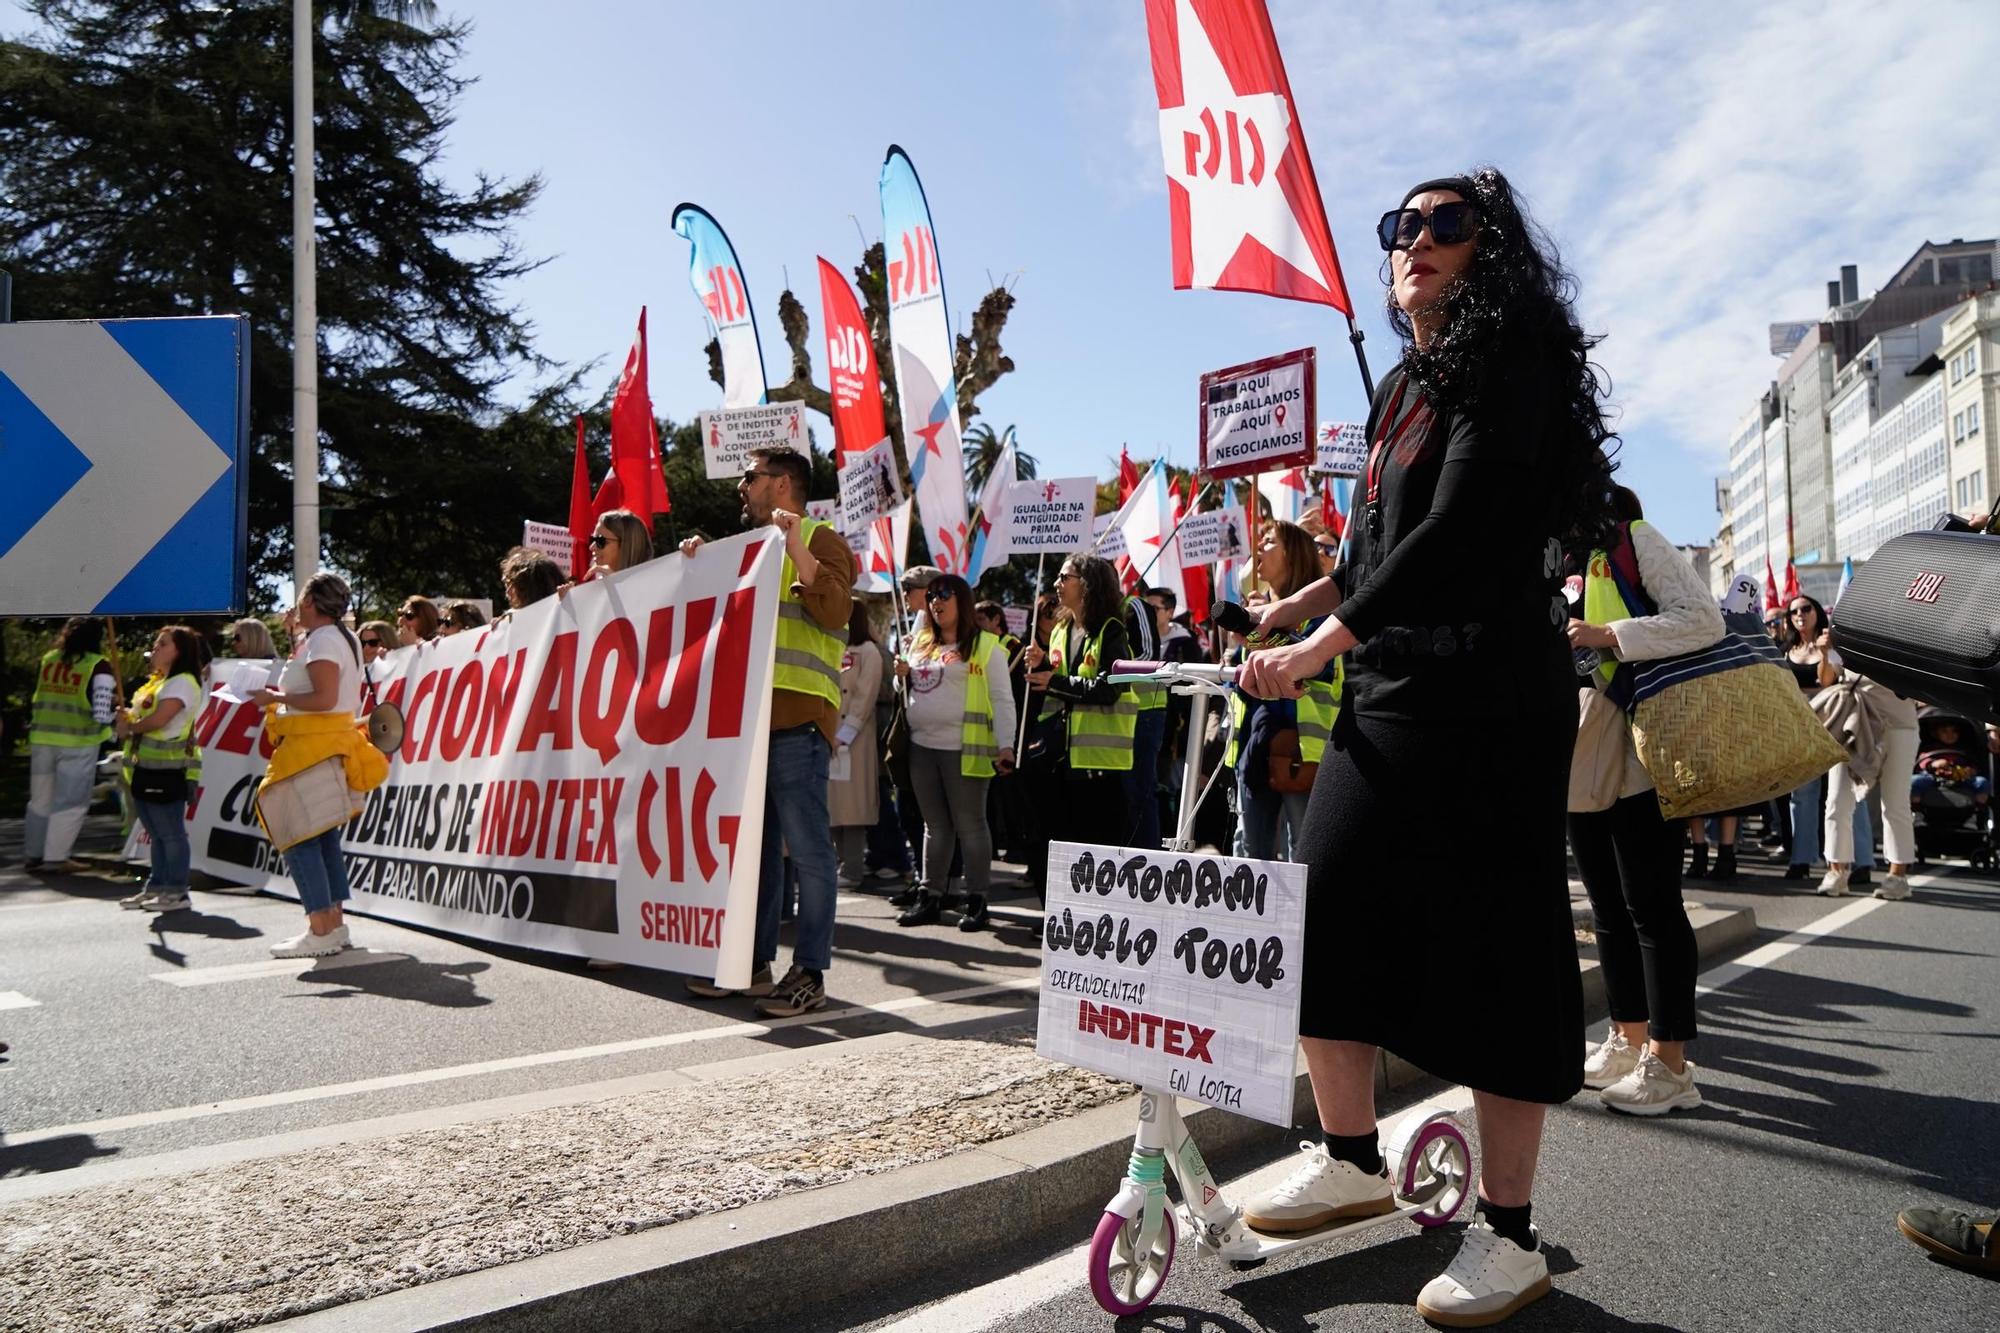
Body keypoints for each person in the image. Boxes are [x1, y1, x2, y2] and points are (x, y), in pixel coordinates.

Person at [1234, 169, 1618, 1325]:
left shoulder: (1511, 361)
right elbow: (1380, 547)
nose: (1415, 240)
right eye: (1401, 225)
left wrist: (1315, 651)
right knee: (1325, 902)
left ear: (1487, 249)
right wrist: (1292, 611)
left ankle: (1509, 1234)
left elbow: (1458, 535)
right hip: (1392, 689)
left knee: (1500, 944)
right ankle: (1353, 1158)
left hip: (1493, 695)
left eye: (1446, 223)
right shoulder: (1402, 381)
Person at [1565, 486, 1725, 1114]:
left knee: (1652, 904)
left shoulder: (1633, 538)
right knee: (1605, 903)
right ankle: (1627, 1039)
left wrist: (1606, 633)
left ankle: (1670, 1063)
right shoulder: (1547, 555)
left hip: (1643, 739)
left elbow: (1702, 618)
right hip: (1577, 744)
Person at [680, 447, 856, 1016]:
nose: (741, 486)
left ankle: (809, 973)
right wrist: (698, 566)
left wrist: (796, 542)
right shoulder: (747, 550)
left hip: (799, 720)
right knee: (754, 855)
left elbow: (834, 613)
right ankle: (753, 964)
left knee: (808, 852)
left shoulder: (823, 538)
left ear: (782, 485)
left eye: (749, 477)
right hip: (749, 728)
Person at [250, 574, 371, 959]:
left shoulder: (324, 639)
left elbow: (322, 697)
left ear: (311, 603)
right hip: (327, 745)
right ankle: (332, 925)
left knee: (298, 836)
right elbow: (321, 687)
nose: (296, 606)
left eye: (301, 600)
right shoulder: (338, 638)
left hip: (311, 749)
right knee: (321, 837)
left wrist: (272, 695)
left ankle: (321, 928)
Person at [892, 574, 1017, 930]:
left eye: (944, 594)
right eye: (931, 595)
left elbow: (1002, 699)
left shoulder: (985, 646)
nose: (935, 601)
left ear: (962, 600)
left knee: (971, 826)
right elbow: (903, 688)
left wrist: (1006, 745)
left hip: (965, 749)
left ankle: (976, 899)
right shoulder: (919, 643)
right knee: (935, 826)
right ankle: (930, 895)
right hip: (922, 747)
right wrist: (899, 674)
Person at [1227, 520, 1335, 861]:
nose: (1258, 548)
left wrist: (1278, 642)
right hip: (1254, 748)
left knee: (1300, 856)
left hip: (1301, 752)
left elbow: (1320, 666)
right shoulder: (1256, 613)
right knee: (1249, 855)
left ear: (1293, 554)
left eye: (1270, 541)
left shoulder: (1321, 616)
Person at [1024, 555, 1133, 887]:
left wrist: (1054, 681)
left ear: (1086, 584)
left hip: (1099, 763)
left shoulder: (1111, 630)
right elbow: (1066, 678)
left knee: (1095, 849)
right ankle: (1058, 918)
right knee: (1056, 842)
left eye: (1064, 576)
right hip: (1058, 756)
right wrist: (1045, 665)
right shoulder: (1060, 629)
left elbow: (1109, 688)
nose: (1056, 583)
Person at [115, 625, 211, 912]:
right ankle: (158, 886)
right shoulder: (161, 682)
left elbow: (160, 719)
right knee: (157, 833)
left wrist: (131, 727)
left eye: (163, 644)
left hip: (167, 769)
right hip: (147, 766)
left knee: (170, 832)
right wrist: (128, 721)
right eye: (156, 643)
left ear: (178, 651)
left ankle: (177, 891)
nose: (155, 649)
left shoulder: (182, 682)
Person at [24, 617, 118, 874]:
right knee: (71, 802)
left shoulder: (50, 659)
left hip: (43, 739)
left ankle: (34, 853)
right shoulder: (98, 666)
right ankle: (56, 858)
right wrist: (115, 713)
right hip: (78, 743)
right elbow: (101, 713)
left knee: (40, 801)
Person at [1779, 594, 1841, 882]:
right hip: (1799, 728)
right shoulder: (1785, 650)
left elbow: (1827, 681)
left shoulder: (1831, 644)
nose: (1800, 614)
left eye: (1806, 608)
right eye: (1794, 611)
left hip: (1832, 724)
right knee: (1801, 796)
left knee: (1838, 796)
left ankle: (1844, 859)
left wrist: (1825, 654)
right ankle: (1801, 859)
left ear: (1817, 612)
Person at [830, 600, 884, 891]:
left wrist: (845, 733)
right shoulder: (836, 646)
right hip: (830, 735)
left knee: (851, 810)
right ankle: (841, 864)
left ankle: (852, 868)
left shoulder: (869, 652)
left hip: (854, 741)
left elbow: (865, 696)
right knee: (833, 808)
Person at [1122, 582, 1167, 850]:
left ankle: (1147, 856)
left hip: (1145, 710)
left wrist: (1109, 674)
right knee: (1125, 793)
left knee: (1140, 790)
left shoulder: (1134, 605)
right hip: (1118, 715)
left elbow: (1149, 655)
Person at [588, 509, 654, 579]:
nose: (591, 547)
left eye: (600, 541)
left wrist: (616, 583)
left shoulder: (652, 583)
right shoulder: (600, 582)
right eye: (593, 539)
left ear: (626, 545)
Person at [499, 546, 564, 611]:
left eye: (517, 586)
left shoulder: (561, 614)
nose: (508, 592)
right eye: (507, 584)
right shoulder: (509, 617)